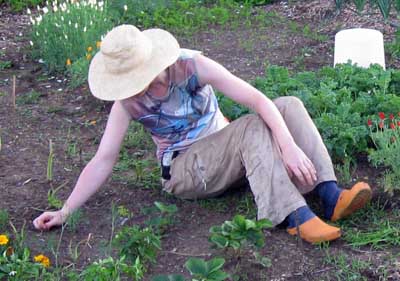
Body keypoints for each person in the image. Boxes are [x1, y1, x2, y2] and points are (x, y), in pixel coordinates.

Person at [33, 24, 372, 243]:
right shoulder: (126, 104)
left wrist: (288, 146)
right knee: (250, 127)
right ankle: (292, 215)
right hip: (185, 170)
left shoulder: (192, 65)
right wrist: (66, 210)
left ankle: (329, 194)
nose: (135, 87)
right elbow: (103, 160)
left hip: (226, 155)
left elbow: (256, 98)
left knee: (288, 105)